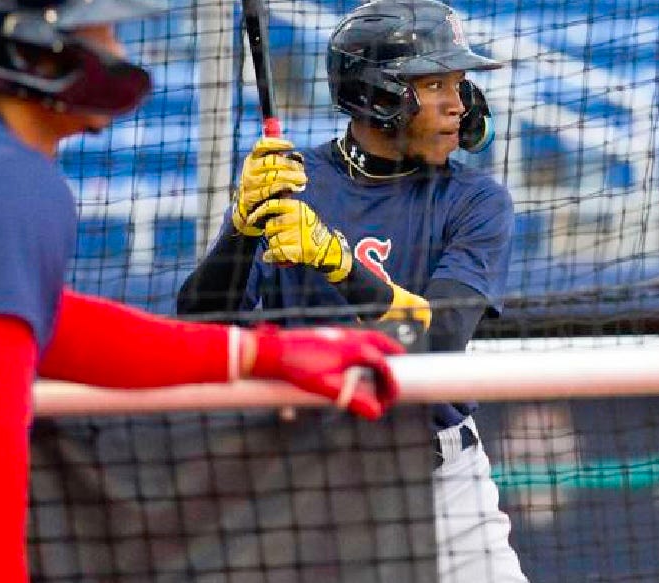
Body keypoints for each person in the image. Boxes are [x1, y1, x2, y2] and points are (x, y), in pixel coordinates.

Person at [0, 1, 407, 582]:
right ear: (32, 43)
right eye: (98, 30)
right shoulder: (13, 179)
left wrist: (258, 354)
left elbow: (46, 327)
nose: (116, 53)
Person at [176, 0, 529, 581]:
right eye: (435, 83)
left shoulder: (476, 202)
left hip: (439, 479)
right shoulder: (295, 182)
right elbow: (199, 323)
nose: (457, 105)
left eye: (460, 85)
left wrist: (337, 261)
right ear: (379, 96)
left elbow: (439, 339)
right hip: (304, 478)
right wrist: (242, 230)